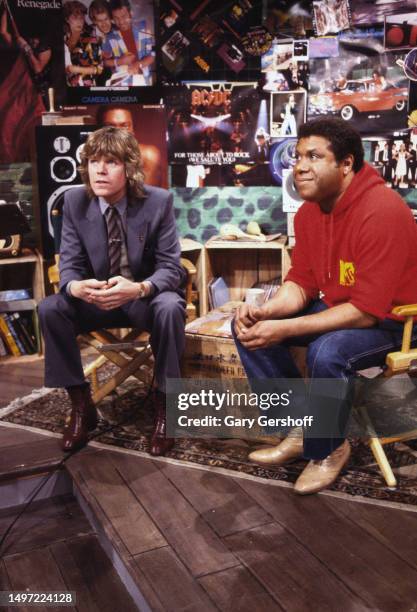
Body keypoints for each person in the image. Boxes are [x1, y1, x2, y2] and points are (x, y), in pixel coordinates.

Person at [233, 118, 417, 495]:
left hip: (396, 320)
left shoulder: (382, 210)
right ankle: (300, 428)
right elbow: (301, 283)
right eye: (298, 155)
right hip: (344, 309)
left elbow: (367, 310)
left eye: (314, 156)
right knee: (249, 332)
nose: (299, 165)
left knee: (326, 351)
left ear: (346, 164)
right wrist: (267, 312)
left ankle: (328, 448)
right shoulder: (309, 212)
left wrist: (285, 328)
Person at [38, 126, 186, 456]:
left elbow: (170, 267)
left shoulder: (157, 202)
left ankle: (166, 407)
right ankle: (81, 404)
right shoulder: (74, 201)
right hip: (96, 299)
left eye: (111, 162)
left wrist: (139, 288)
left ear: (130, 167)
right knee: (50, 308)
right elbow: (70, 265)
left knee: (170, 307)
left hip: (141, 298)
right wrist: (76, 286)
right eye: (93, 161)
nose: (100, 170)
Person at [96, 105, 163, 187]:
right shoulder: (91, 155)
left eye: (125, 126)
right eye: (110, 126)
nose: (118, 132)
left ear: (133, 129)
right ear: (99, 130)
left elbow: (147, 196)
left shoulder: (148, 156)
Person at [102, 0, 154, 86]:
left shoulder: (144, 28)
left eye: (123, 16)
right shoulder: (109, 37)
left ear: (131, 14)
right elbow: (104, 62)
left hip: (145, 81)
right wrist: (120, 61)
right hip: (122, 84)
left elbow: (152, 55)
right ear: (112, 19)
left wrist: (138, 64)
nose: (121, 21)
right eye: (116, 18)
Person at [63, 0, 103, 87]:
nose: (79, 21)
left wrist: (76, 69)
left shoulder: (90, 39)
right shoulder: (62, 39)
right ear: (67, 19)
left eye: (81, 18)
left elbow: (99, 68)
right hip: (65, 89)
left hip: (86, 88)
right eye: (75, 17)